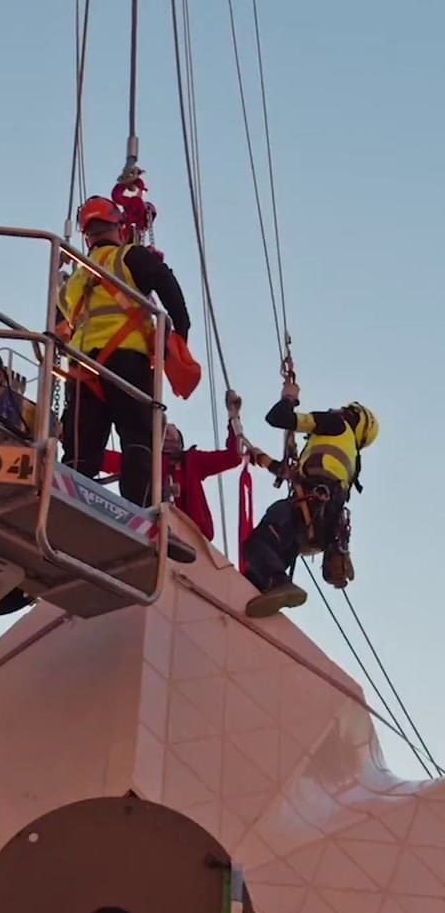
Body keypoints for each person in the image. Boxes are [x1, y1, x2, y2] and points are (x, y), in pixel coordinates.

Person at [57, 196, 198, 546]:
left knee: (80, 449)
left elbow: (60, 321)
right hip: (127, 361)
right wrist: (180, 331)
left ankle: (65, 519)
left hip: (83, 369)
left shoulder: (76, 277)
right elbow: (166, 285)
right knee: (138, 439)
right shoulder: (130, 257)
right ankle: (139, 519)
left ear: (86, 235)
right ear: (118, 226)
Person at [241, 384, 379, 616]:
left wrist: (289, 398)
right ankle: (262, 590)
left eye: (345, 409)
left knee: (257, 544)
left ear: (353, 417)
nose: (337, 409)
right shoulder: (348, 456)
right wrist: (262, 459)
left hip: (306, 507)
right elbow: (293, 474)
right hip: (318, 525)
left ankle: (278, 582)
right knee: (257, 575)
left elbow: (277, 418)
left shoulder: (335, 425)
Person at [102, 401, 242, 542]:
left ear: (179, 440)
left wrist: (233, 417)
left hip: (194, 535)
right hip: (152, 527)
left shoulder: (194, 461)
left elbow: (233, 457)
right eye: (163, 429)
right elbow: (105, 459)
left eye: (171, 428)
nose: (167, 429)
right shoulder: (146, 458)